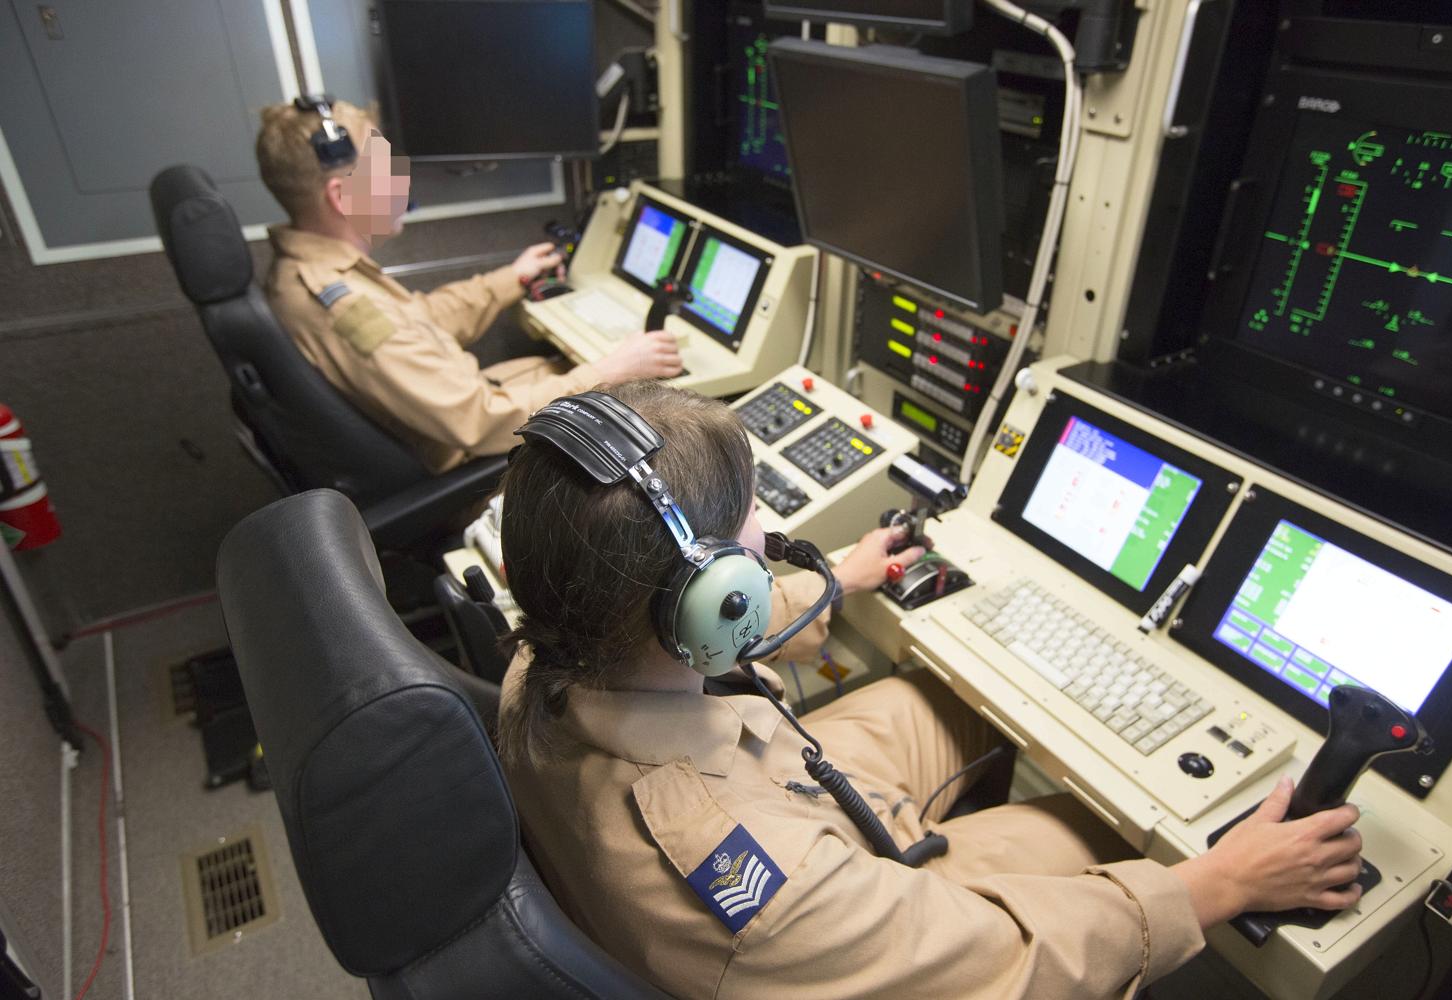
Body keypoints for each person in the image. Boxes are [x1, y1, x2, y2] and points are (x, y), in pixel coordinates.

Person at [495, 381, 1367, 999]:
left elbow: (663, 629)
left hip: (762, 776)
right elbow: (1007, 961)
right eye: (748, 519)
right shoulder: (769, 897)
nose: (763, 530)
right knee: (1085, 823)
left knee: (937, 699)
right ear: (710, 598)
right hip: (819, 880)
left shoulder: (548, 650)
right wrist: (1219, 883)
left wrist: (836, 577)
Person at [254, 98, 683, 473]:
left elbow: (415, 321)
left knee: (574, 366)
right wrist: (608, 373)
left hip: (469, 409)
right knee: (653, 421)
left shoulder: (317, 272)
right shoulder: (343, 307)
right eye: (386, 170)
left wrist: (507, 280)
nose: (401, 183)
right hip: (480, 457)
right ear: (341, 196)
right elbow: (480, 420)